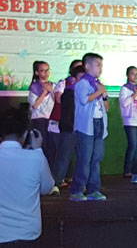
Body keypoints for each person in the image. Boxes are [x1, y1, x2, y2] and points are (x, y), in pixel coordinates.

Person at [0, 109, 54, 244]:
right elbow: (47, 188)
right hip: (29, 233)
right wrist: (38, 149)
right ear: (25, 134)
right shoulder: (37, 158)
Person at [70, 53, 108, 202]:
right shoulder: (83, 84)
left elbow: (105, 105)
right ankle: (77, 190)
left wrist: (102, 93)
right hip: (86, 125)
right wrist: (99, 91)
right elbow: (84, 100)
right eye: (98, 65)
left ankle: (93, 189)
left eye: (101, 65)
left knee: (96, 157)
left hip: (98, 123)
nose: (100, 68)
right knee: (84, 158)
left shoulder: (98, 83)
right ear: (87, 66)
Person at [51, 65, 85, 194]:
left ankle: (79, 183)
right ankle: (55, 183)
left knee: (83, 157)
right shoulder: (69, 92)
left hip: (82, 129)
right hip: (69, 128)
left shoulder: (85, 92)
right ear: (74, 78)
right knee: (64, 157)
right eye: (81, 77)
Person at [119, 66, 137, 178]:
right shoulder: (125, 88)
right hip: (130, 120)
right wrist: (135, 94)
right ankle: (127, 170)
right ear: (127, 75)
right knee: (133, 145)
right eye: (133, 74)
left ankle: (136, 170)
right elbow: (124, 103)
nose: (135, 76)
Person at [27, 60, 55, 166]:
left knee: (51, 147)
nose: (46, 73)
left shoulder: (53, 85)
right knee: (41, 146)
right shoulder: (34, 86)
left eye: (47, 70)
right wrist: (44, 92)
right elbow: (34, 105)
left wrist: (51, 91)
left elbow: (57, 102)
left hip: (51, 120)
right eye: (42, 71)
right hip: (39, 120)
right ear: (37, 73)